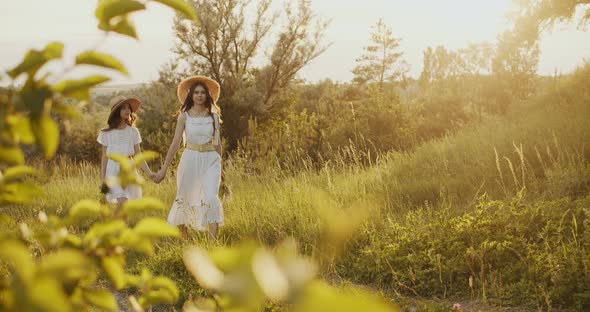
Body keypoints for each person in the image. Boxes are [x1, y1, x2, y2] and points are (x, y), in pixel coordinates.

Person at [153, 76, 224, 240]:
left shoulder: (213, 117)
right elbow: (175, 144)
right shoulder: (184, 117)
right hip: (190, 159)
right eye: (196, 92)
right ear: (191, 95)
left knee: (211, 198)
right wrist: (163, 170)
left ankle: (213, 245)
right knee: (185, 198)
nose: (199, 95)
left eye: (203, 93)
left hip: (211, 161)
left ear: (207, 95)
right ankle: (183, 244)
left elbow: (218, 144)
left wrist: (221, 167)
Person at [98, 95, 154, 216]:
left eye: (128, 108)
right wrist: (103, 179)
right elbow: (104, 157)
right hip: (113, 170)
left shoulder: (133, 132)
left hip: (129, 169)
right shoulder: (106, 133)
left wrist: (150, 173)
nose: (127, 110)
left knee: (126, 206)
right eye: (123, 108)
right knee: (122, 201)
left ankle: (121, 232)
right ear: (117, 112)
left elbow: (138, 156)